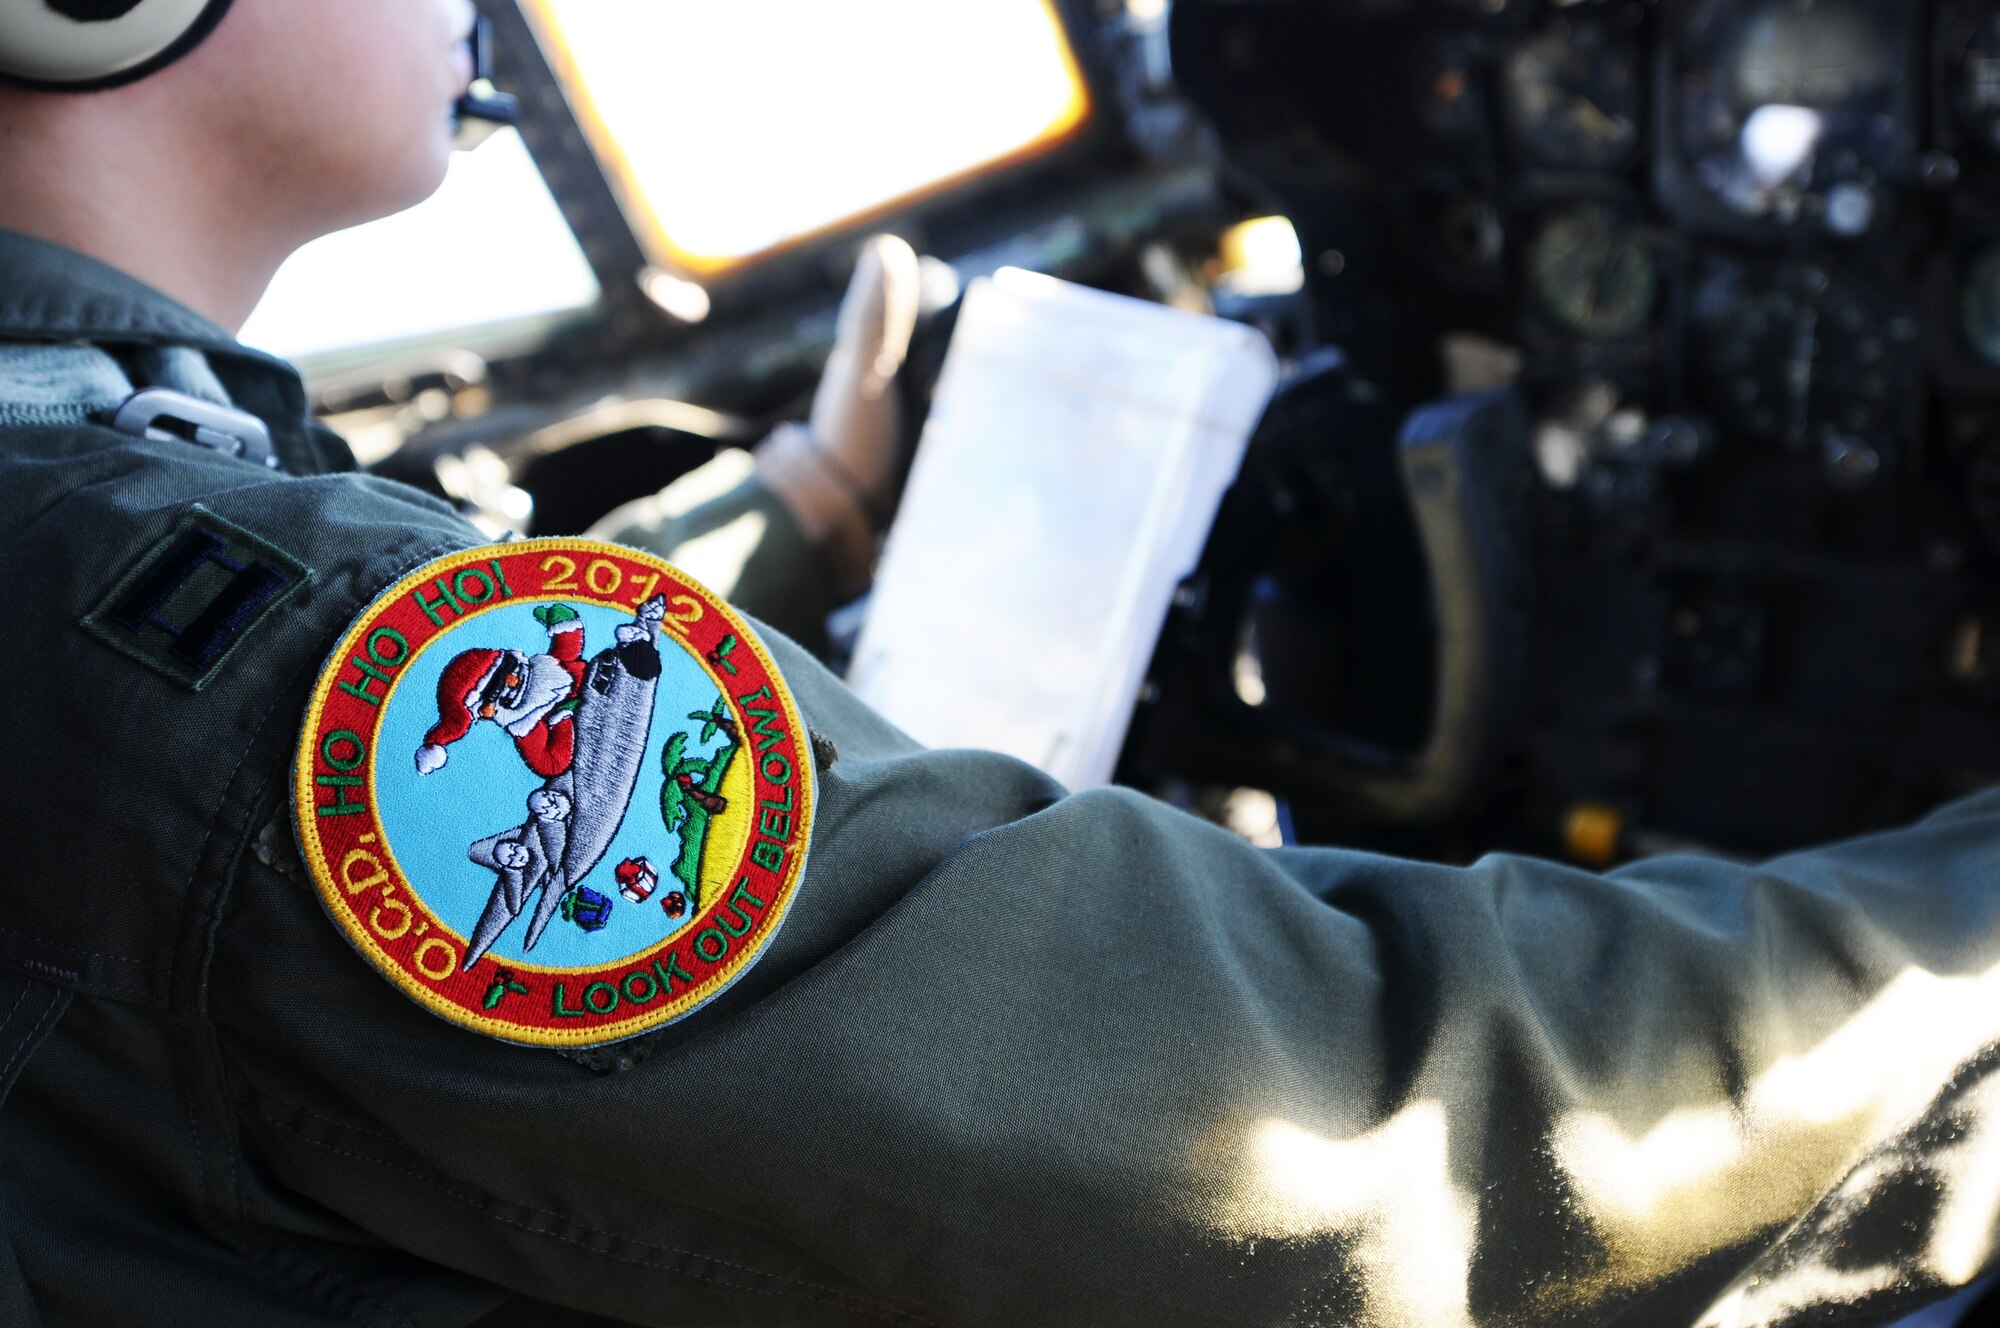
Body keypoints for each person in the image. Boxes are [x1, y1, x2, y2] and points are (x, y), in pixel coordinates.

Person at [3, 3, 2000, 1326]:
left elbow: (342, 768)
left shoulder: (102, 534)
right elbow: (1328, 1131)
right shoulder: (212, 652)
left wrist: (803, 504)